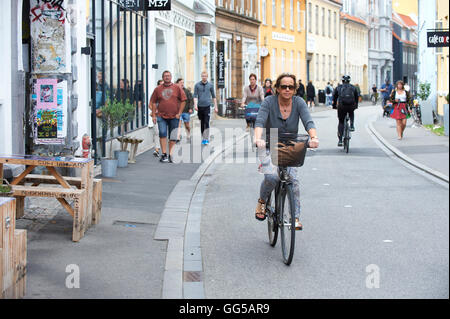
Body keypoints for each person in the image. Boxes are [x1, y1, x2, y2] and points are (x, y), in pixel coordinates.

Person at [253, 73, 319, 230]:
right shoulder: (269, 102)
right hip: (270, 143)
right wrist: (258, 139)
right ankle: (262, 201)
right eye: (284, 86)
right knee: (271, 177)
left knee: (293, 181)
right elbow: (260, 121)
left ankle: (295, 217)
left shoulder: (299, 102)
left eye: (291, 87)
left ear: (295, 89)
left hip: (291, 145)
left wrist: (314, 137)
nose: (287, 89)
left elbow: (308, 121)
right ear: (277, 88)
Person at [150, 71, 186, 163]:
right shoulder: (158, 89)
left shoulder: (177, 88)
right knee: (162, 133)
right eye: (165, 76)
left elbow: (183, 100)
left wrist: (179, 113)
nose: (167, 77)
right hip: (161, 116)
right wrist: (154, 115)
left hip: (174, 116)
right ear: (162, 77)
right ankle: (164, 154)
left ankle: (170, 154)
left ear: (171, 77)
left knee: (172, 136)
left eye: (168, 76)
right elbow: (153, 102)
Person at [332, 75, 359, 146]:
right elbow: (356, 97)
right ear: (349, 81)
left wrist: (334, 106)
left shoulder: (339, 87)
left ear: (342, 81)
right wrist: (356, 106)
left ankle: (340, 140)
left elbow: (334, 97)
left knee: (341, 122)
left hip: (342, 106)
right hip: (351, 105)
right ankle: (352, 125)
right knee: (351, 112)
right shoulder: (353, 87)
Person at [194, 71, 218, 145]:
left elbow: (214, 97)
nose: (204, 77)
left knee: (206, 122)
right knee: (202, 122)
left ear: (207, 77)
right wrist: (195, 105)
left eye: (205, 76)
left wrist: (216, 107)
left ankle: (206, 138)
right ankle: (203, 136)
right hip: (200, 106)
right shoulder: (197, 85)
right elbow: (195, 96)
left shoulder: (210, 85)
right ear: (201, 76)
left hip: (207, 106)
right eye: (203, 76)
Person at [151, 79, 164, 157]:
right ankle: (156, 149)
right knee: (157, 132)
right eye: (160, 85)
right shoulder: (155, 94)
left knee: (163, 133)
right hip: (157, 116)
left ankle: (164, 151)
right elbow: (151, 104)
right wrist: (153, 111)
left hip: (165, 116)